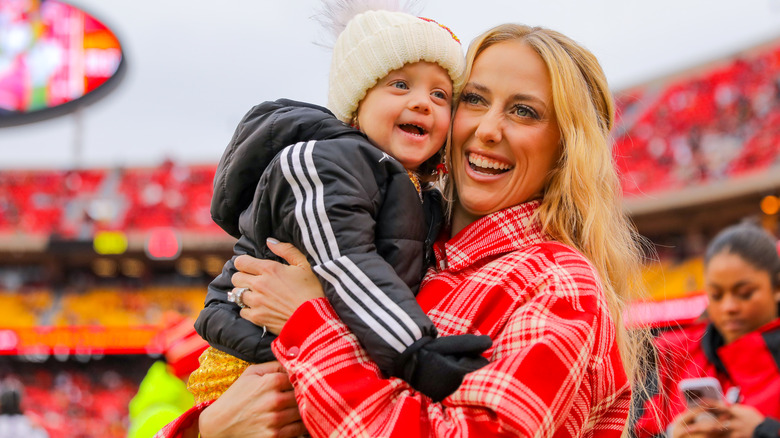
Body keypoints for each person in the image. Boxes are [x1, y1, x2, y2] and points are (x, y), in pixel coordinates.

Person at [173, 22, 653, 438]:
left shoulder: (557, 283)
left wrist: (307, 320)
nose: (487, 128)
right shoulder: (409, 244)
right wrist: (210, 429)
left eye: (523, 111)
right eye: (474, 99)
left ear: (568, 149)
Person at [187, 3, 491, 408]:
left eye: (440, 94)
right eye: (400, 85)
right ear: (355, 105)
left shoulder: (419, 190)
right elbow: (346, 263)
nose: (423, 102)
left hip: (320, 354)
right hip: (254, 368)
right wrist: (416, 354)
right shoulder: (325, 161)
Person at [634, 223, 780, 438]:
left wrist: (763, 431)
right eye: (716, 295)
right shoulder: (673, 357)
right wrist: (672, 435)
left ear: (776, 287)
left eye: (745, 293)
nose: (729, 307)